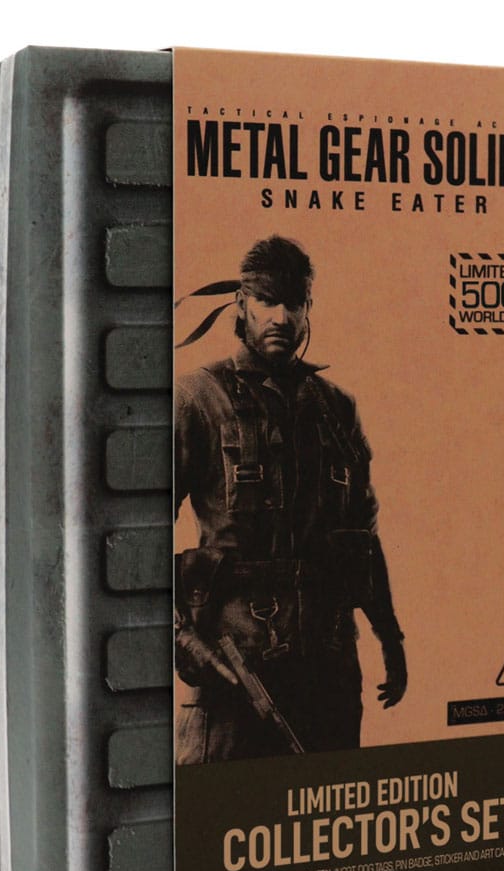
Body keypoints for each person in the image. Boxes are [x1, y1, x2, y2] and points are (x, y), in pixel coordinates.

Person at [173, 235, 406, 763]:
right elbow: (135, 534)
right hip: (235, 670)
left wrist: (390, 636)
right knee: (224, 810)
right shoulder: (197, 399)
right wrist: (183, 640)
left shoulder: (336, 409)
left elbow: (364, 535)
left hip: (328, 671)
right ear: (241, 305)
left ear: (308, 308)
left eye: (293, 303)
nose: (281, 317)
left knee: (327, 807)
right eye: (266, 301)